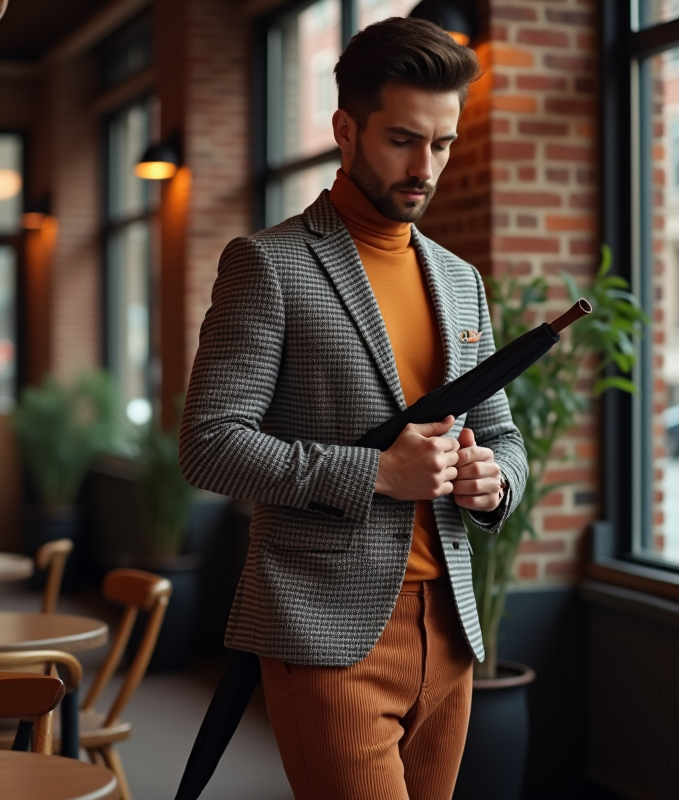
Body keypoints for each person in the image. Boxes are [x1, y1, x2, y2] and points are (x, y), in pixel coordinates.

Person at [179, 17, 527, 800]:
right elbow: (208, 443)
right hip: (324, 631)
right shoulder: (267, 264)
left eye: (442, 143)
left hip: (452, 628)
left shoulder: (461, 279)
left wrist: (493, 481)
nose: (426, 167)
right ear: (345, 129)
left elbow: (503, 433)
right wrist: (376, 472)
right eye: (404, 140)